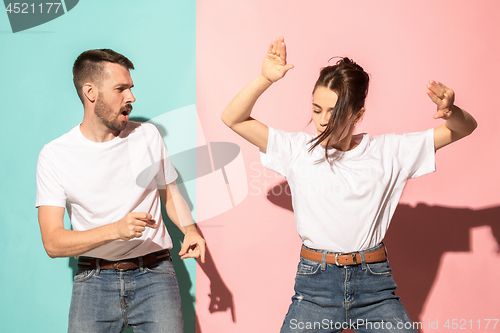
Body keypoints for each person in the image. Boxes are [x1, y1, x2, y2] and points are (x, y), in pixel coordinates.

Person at [221, 37, 477, 333]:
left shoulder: (389, 151)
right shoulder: (297, 150)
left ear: (358, 115)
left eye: (334, 112)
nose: (322, 120)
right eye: (317, 109)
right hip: (315, 287)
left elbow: (465, 128)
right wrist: (265, 78)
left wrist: (451, 112)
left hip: (375, 288)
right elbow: (233, 118)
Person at [36, 49, 206, 333]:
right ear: (90, 92)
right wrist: (115, 230)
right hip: (94, 280)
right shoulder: (55, 155)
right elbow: (53, 242)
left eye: (131, 88)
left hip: (155, 276)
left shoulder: (148, 136)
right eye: (120, 89)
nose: (131, 98)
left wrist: (189, 229)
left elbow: (171, 193)